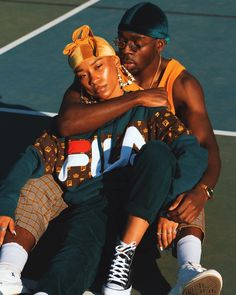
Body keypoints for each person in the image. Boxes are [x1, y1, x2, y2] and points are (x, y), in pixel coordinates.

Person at [0, 25, 209, 295]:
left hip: (144, 205)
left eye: (99, 67)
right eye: (83, 75)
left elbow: (192, 152)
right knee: (77, 254)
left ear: (117, 64)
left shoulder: (149, 113)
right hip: (95, 203)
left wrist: (171, 202)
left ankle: (188, 269)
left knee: (167, 166)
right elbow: (31, 158)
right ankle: (25, 280)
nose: (93, 79)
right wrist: (4, 205)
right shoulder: (78, 120)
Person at [57, 3, 223, 295]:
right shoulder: (103, 69)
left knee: (190, 184)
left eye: (138, 43)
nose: (127, 49)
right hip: (107, 177)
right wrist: (137, 99)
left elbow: (206, 149)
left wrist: (202, 192)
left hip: (155, 181)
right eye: (122, 40)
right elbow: (67, 123)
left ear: (159, 45)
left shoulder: (181, 84)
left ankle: (188, 269)